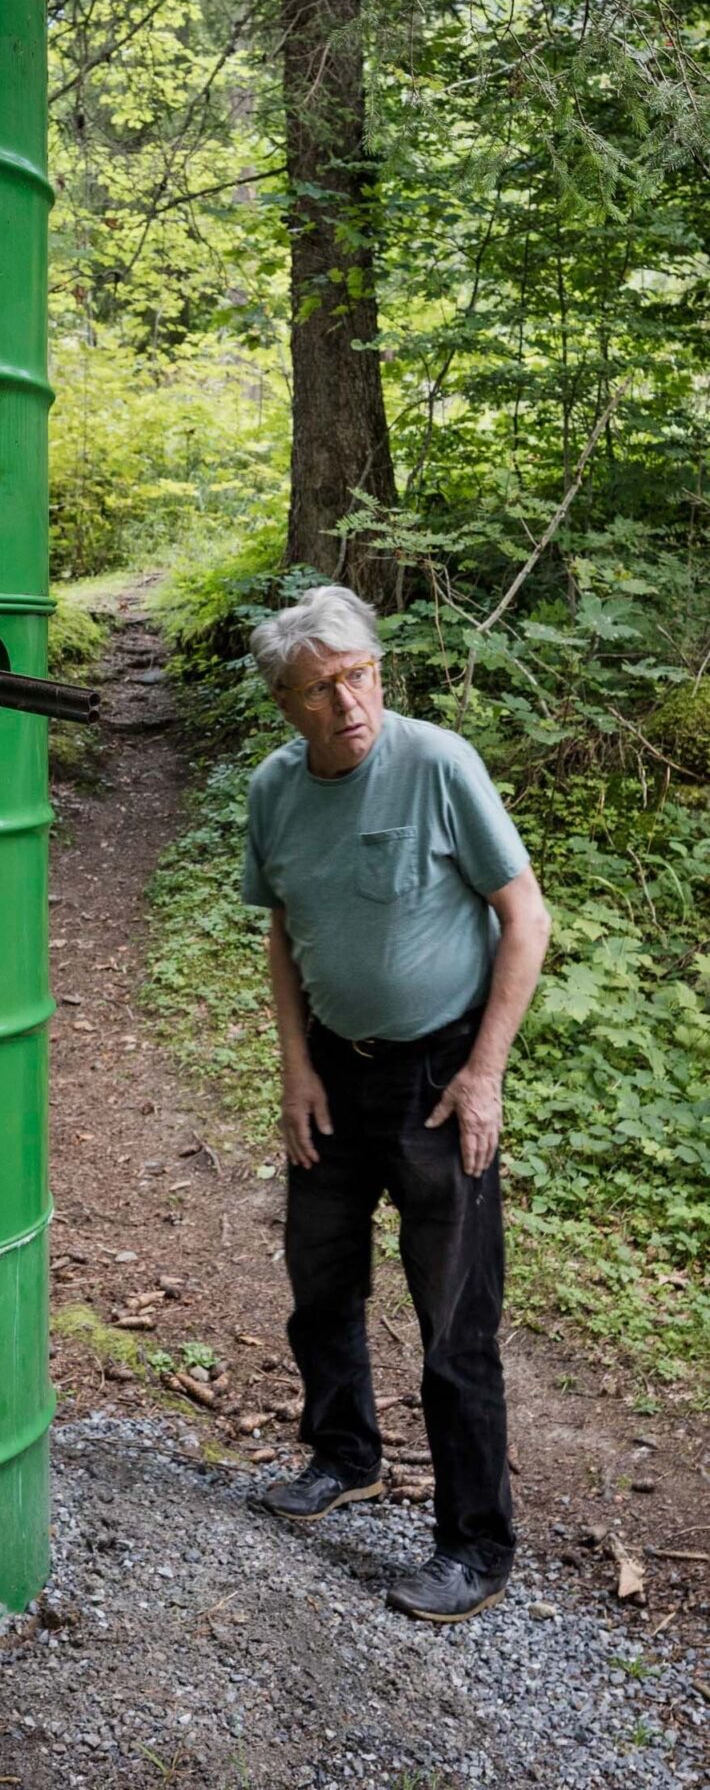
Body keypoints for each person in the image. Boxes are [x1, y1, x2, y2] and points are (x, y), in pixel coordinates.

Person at [240, 583, 551, 1624]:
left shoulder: (436, 762)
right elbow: (282, 930)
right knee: (318, 1281)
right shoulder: (274, 790)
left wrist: (483, 1072)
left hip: (436, 1076)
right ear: (284, 702)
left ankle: (473, 1545)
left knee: (453, 1318)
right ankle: (343, 1454)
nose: (347, 702)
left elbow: (523, 917)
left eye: (358, 674)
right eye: (319, 688)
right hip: (332, 1067)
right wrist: (293, 1065)